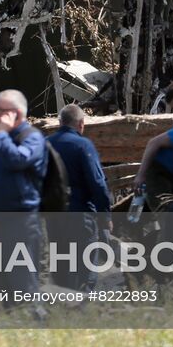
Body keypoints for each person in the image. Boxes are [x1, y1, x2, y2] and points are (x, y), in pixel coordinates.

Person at [0, 89, 47, 295]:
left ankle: (35, 324)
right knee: (0, 287)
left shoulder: (32, 138)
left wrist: (1, 135)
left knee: (24, 286)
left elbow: (18, 160)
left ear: (16, 113)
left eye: (1, 110)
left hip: (21, 223)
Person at [46, 103, 113, 289]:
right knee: (85, 269)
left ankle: (62, 308)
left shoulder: (45, 144)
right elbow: (97, 183)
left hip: (54, 217)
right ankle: (82, 308)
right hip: (80, 215)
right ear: (81, 123)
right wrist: (105, 216)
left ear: (60, 123)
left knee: (61, 266)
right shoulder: (83, 145)